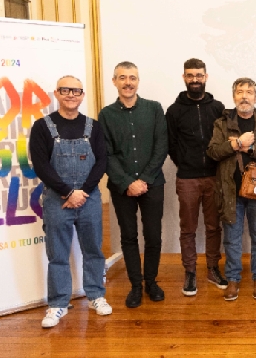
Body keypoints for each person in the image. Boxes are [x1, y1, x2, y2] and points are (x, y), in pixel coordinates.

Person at [29, 75, 112, 328]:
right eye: (65, 90)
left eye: (76, 91)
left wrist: (83, 192)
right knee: (57, 255)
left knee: (93, 251)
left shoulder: (93, 126)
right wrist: (68, 192)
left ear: (82, 95)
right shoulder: (42, 127)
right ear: (56, 93)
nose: (71, 95)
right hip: (57, 199)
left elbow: (102, 161)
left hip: (88, 198)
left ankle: (96, 295)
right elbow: (41, 165)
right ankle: (58, 304)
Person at [99, 61, 168, 308]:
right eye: (122, 77)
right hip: (121, 187)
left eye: (132, 78)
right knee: (128, 237)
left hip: (153, 184)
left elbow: (161, 146)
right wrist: (128, 182)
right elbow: (106, 153)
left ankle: (151, 282)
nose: (128, 82)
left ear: (138, 81)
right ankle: (136, 285)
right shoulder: (106, 115)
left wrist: (144, 179)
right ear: (114, 81)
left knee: (153, 235)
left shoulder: (154, 109)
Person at [207, 78, 256, 301]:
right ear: (233, 96)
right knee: (232, 239)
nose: (244, 96)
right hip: (231, 192)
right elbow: (213, 152)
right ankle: (233, 279)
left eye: (249, 92)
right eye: (240, 92)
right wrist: (235, 143)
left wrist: (252, 147)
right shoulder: (222, 123)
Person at [166, 58, 227, 297]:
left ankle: (213, 268)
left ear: (206, 77)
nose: (195, 79)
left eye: (199, 75)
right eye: (190, 75)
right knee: (188, 228)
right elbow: (171, 144)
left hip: (214, 176)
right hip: (188, 178)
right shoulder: (174, 110)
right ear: (184, 78)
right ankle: (190, 271)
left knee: (214, 226)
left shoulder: (218, 107)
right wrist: (186, 163)